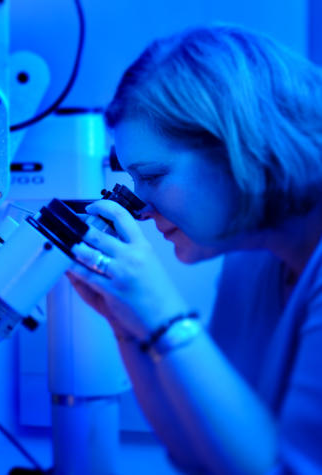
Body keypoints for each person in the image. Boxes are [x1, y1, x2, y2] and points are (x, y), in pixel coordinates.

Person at [67, 25, 322, 474]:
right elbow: (201, 458)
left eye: (154, 176)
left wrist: (162, 313)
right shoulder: (254, 257)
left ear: (241, 148)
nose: (140, 207)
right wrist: (130, 324)